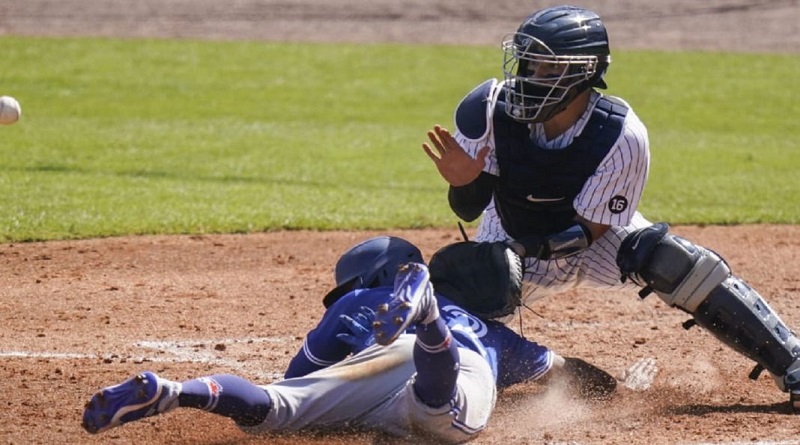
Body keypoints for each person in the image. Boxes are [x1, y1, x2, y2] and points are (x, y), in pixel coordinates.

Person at [421, 4, 800, 409]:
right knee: (466, 288)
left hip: (590, 239)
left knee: (670, 260)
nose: (532, 78)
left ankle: (791, 360)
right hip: (511, 231)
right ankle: (518, 369)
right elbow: (467, 210)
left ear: (583, 72)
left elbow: (590, 230)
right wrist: (464, 183)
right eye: (529, 65)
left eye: (549, 70)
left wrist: (524, 251)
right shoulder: (489, 111)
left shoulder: (620, 133)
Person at [81, 236, 618, 442]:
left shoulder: (352, 304)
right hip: (453, 355)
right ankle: (426, 316)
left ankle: (177, 391)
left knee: (277, 409)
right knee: (440, 412)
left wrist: (324, 399)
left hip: (378, 360)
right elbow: (564, 370)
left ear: (365, 283)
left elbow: (297, 378)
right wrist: (613, 389)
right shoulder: (492, 332)